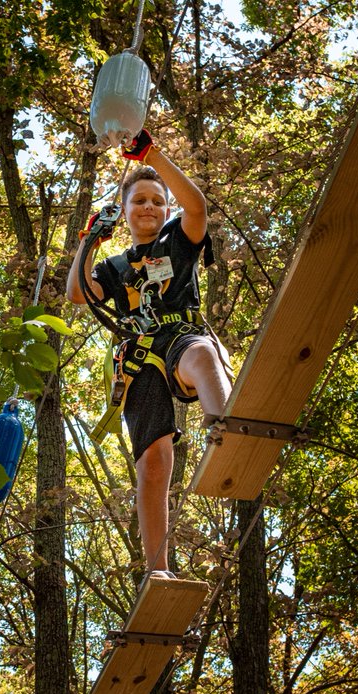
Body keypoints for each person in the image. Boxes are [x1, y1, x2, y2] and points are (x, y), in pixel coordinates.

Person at [67, 129, 232, 577]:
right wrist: (89, 242)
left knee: (202, 358)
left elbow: (196, 205)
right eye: (139, 200)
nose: (150, 208)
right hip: (139, 355)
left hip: (180, 335)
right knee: (153, 462)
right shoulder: (114, 267)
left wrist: (151, 155)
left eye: (157, 201)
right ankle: (157, 566)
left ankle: (226, 431)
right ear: (124, 211)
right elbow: (78, 293)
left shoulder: (178, 238)